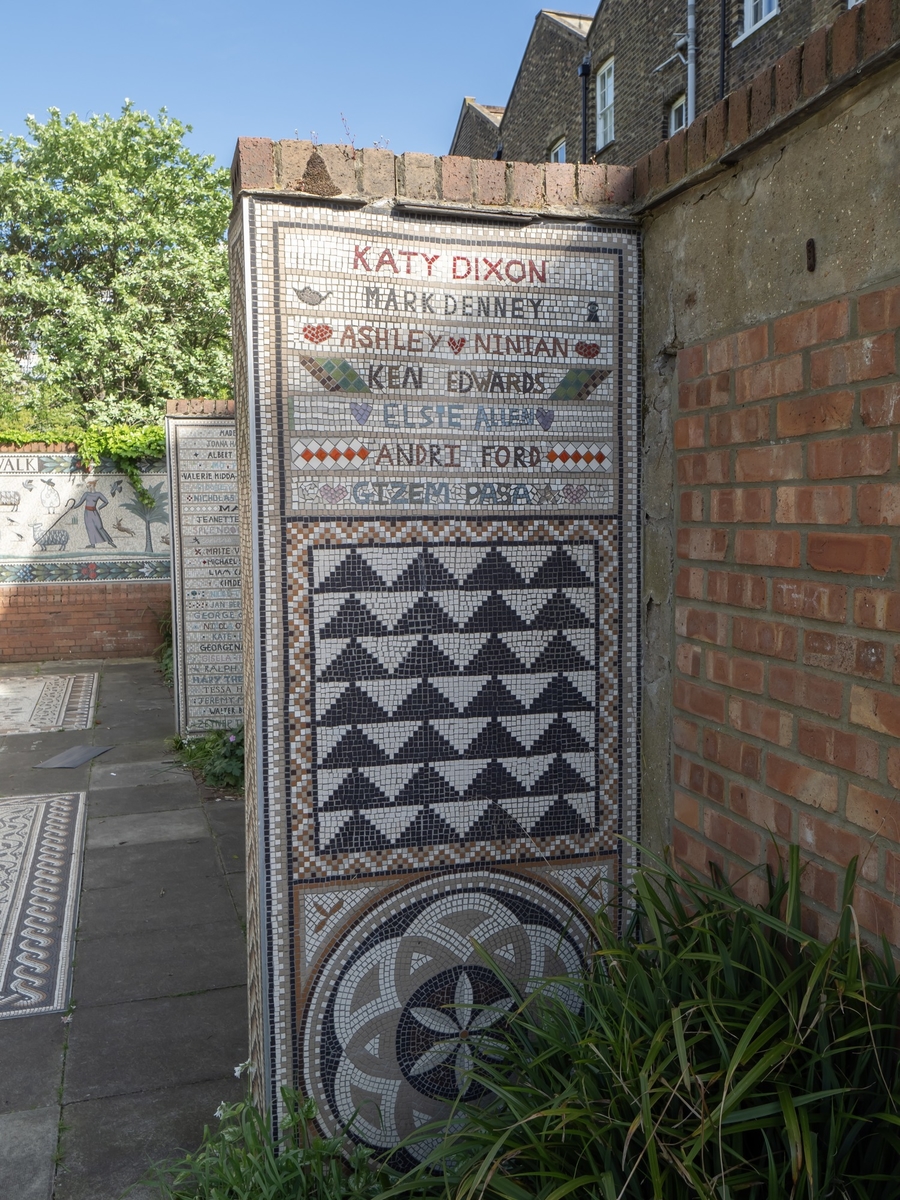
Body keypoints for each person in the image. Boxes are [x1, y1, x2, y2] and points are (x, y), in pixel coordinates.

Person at [70, 479, 116, 548]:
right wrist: (73, 507)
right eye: (88, 486)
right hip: (87, 513)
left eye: (90, 485)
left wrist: (99, 507)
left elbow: (106, 501)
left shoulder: (98, 494)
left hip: (94, 512)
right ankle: (92, 544)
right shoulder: (86, 494)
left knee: (100, 527)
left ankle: (109, 541)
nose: (88, 487)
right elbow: (80, 503)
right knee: (90, 528)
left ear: (93, 485)